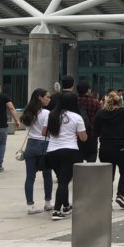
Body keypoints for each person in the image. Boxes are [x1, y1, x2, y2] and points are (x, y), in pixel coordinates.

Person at [44, 92, 86, 221]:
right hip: (70, 151)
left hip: (52, 151)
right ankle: (57, 210)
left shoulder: (52, 115)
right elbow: (83, 138)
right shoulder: (76, 117)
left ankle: (66, 206)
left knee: (62, 179)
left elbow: (44, 132)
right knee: (64, 181)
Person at [94, 91, 124, 209]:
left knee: (108, 175)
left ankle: (108, 199)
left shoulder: (100, 114)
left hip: (106, 147)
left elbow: (96, 131)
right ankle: (120, 195)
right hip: (123, 147)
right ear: (119, 102)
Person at [19, 88, 53, 214]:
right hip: (44, 144)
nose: (49, 99)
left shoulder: (28, 112)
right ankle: (48, 202)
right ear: (40, 97)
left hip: (31, 144)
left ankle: (30, 205)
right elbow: (47, 131)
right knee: (47, 174)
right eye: (47, 97)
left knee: (30, 177)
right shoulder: (46, 113)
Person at [75, 82, 103, 163]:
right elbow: (99, 118)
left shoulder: (74, 101)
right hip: (92, 134)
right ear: (88, 90)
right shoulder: (95, 102)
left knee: (78, 159)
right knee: (92, 156)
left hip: (77, 135)